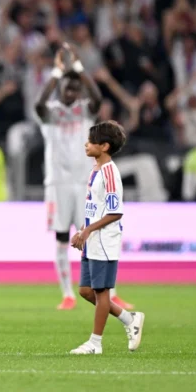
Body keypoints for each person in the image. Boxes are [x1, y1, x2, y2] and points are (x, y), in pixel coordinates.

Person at [35, 43, 133, 311]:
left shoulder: (84, 110)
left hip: (83, 183)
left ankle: (110, 292)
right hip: (57, 182)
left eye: (75, 89)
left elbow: (98, 100)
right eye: (67, 88)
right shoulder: (51, 111)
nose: (72, 93)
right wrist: (56, 72)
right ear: (60, 89)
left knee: (93, 236)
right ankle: (67, 293)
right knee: (61, 237)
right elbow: (38, 104)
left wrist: (78, 68)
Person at [70, 121, 145, 354]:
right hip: (91, 238)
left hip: (104, 239)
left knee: (102, 292)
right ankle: (128, 318)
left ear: (104, 146)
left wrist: (89, 230)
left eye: (91, 141)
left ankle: (95, 343)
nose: (86, 144)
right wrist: (84, 228)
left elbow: (115, 211)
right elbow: (96, 206)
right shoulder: (96, 170)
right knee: (85, 291)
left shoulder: (110, 173)